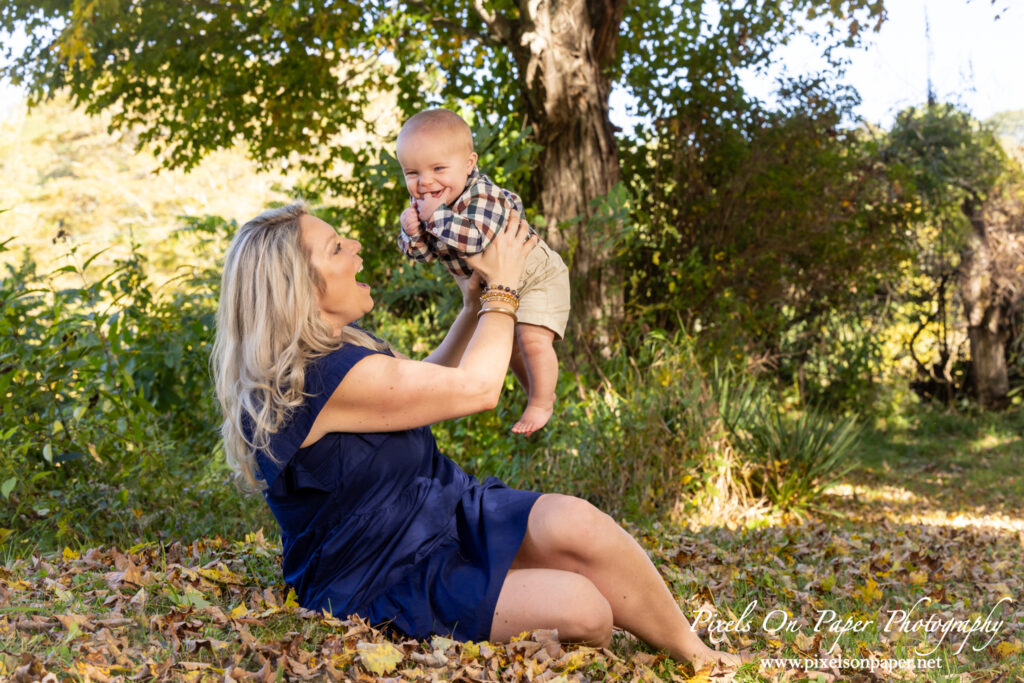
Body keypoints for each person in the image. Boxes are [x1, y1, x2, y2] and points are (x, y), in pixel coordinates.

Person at [211, 202, 740, 671]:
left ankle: (697, 654)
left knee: (578, 521)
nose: (356, 250)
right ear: (299, 286)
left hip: (444, 509)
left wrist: (472, 305)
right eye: (336, 247)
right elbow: (477, 389)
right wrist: (504, 291)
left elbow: (424, 385)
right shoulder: (317, 378)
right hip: (382, 572)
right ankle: (520, 587)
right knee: (587, 612)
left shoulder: (347, 351)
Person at [396, 108, 570, 436]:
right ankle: (534, 390)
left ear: (469, 164)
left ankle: (542, 402)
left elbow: (476, 240)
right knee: (512, 346)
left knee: (532, 338)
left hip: (537, 275)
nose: (425, 182)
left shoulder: (482, 197)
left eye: (437, 169)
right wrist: (412, 232)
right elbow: (423, 255)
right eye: (412, 173)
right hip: (499, 280)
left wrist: (435, 218)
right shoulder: (433, 203)